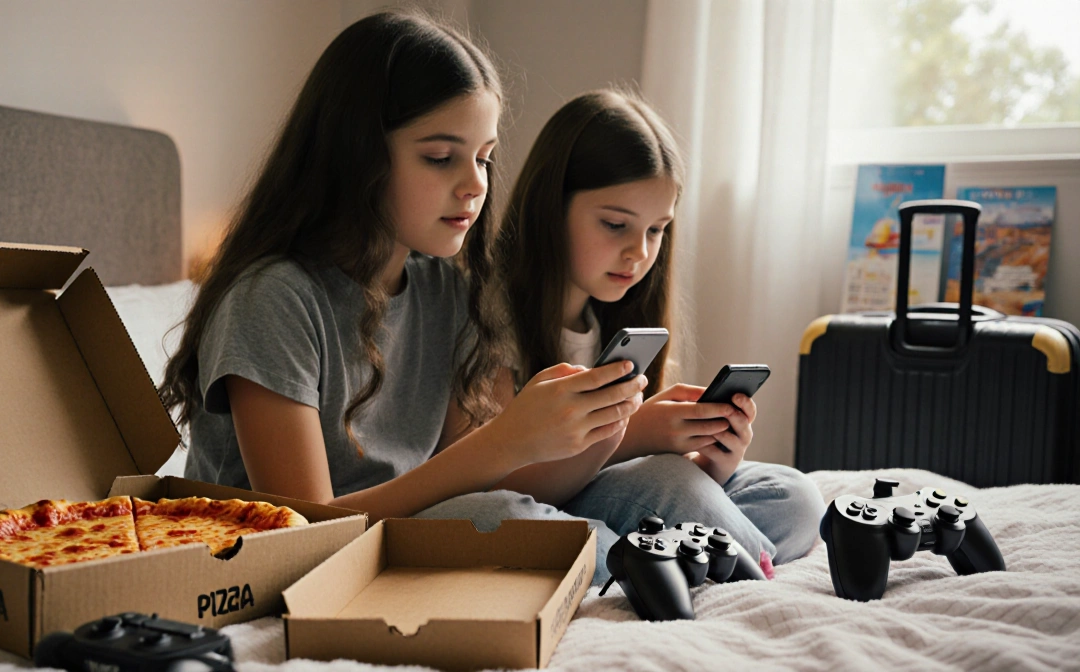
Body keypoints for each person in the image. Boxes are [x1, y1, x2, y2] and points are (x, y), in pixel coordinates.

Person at [159, 13, 644, 538]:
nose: (474, 185)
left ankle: (701, 575)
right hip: (289, 560)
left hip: (393, 537)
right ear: (357, 154)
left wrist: (604, 430)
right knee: (507, 519)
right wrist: (504, 441)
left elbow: (483, 480)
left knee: (662, 482)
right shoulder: (272, 299)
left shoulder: (447, 291)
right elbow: (301, 527)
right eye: (440, 157)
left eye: (484, 158)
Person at [430, 90, 823, 581]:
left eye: (657, 230)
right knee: (654, 487)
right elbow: (488, 485)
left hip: (613, 497)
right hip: (537, 502)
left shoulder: (616, 320)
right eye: (615, 225)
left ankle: (680, 560)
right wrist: (627, 437)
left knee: (794, 496)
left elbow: (644, 478)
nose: (638, 252)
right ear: (551, 208)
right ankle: (726, 567)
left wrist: (714, 461)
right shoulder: (490, 312)